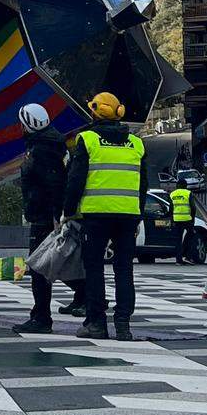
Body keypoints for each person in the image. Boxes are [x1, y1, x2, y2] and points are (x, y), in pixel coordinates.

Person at [63, 91, 146, 342]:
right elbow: (143, 184)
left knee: (94, 269)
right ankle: (123, 326)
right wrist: (138, 213)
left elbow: (75, 180)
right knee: (124, 270)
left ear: (95, 112)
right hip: (128, 215)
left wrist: (68, 211)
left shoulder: (87, 140)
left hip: (96, 215)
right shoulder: (137, 143)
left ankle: (97, 324)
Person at [13, 103, 85, 334]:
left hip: (45, 215)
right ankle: (86, 296)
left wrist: (57, 215)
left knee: (40, 265)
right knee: (53, 261)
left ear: (27, 124)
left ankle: (42, 317)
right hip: (48, 212)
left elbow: (53, 183)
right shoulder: (54, 144)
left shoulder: (42, 149)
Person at [170, 173, 195, 265]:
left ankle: (178, 260)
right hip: (187, 219)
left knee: (178, 240)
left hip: (176, 220)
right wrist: (193, 219)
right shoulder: (188, 193)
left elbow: (171, 208)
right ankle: (188, 257)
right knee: (190, 237)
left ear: (177, 185)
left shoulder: (172, 194)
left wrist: (172, 219)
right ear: (186, 186)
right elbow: (193, 207)